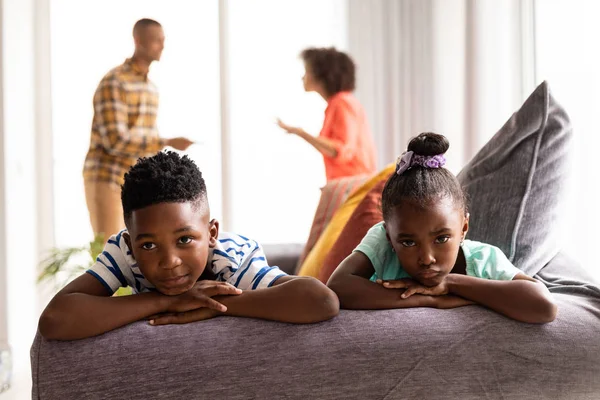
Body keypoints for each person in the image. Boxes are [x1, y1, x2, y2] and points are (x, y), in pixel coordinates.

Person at [40, 151, 339, 340]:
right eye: (148, 246)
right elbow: (55, 319)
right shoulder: (124, 251)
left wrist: (213, 305)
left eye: (184, 240)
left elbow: (321, 301)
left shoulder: (230, 257)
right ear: (131, 244)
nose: (169, 261)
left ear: (211, 234)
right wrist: (167, 301)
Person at [327, 132, 557, 324]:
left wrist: (450, 284)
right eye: (408, 242)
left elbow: (543, 306)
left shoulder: (482, 260)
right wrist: (429, 299)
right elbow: (338, 286)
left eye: (441, 239)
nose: (426, 259)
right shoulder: (382, 240)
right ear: (390, 237)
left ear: (464, 227)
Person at [83, 18, 194, 242]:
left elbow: (143, 141)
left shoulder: (151, 88)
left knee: (137, 252)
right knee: (110, 251)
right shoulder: (115, 82)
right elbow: (115, 141)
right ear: (138, 41)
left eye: (163, 40)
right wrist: (166, 141)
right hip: (108, 179)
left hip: (133, 182)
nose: (162, 46)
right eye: (156, 41)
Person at [277, 47, 377, 182]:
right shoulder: (341, 102)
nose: (303, 77)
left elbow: (341, 151)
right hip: (353, 182)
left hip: (352, 184)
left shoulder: (341, 103)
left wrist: (300, 132)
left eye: (307, 71)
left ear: (321, 75)